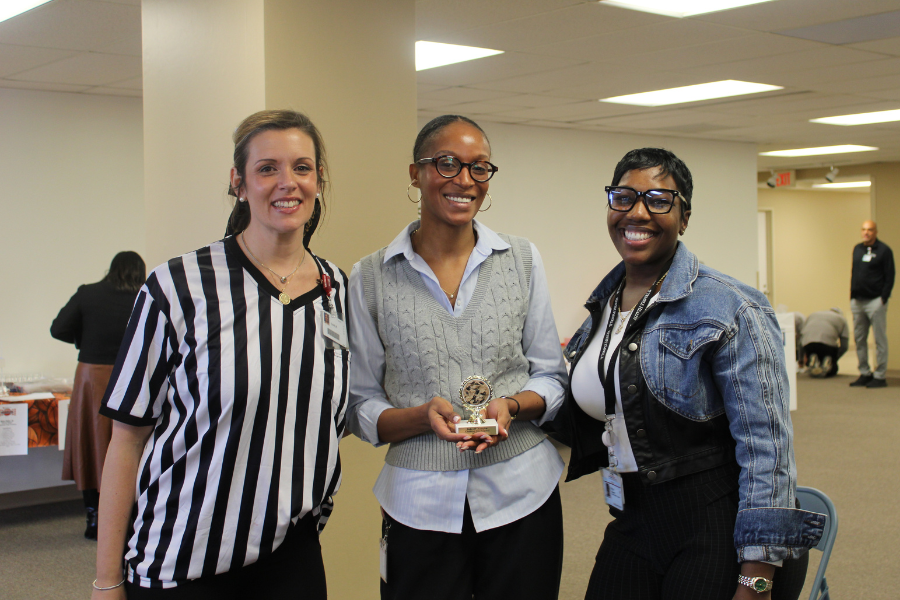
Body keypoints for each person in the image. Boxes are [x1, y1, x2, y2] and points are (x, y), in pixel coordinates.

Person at [92, 110, 348, 599]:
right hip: (186, 558)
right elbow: (126, 441)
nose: (286, 182)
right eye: (267, 168)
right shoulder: (177, 286)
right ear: (239, 182)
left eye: (301, 167)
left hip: (290, 557)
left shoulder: (335, 289)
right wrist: (107, 581)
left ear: (318, 180)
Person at [553, 148, 823, 600]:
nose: (637, 212)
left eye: (659, 199)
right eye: (623, 197)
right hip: (634, 514)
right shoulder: (603, 306)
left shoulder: (732, 305)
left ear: (684, 216)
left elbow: (768, 451)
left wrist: (756, 580)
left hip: (715, 520)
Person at [347, 114, 568, 600]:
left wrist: (512, 406)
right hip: (418, 503)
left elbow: (552, 376)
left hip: (522, 494)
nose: (464, 180)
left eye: (479, 167)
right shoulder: (369, 278)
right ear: (415, 173)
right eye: (446, 164)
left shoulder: (522, 259)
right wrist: (419, 418)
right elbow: (360, 404)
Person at [50, 251, 146, 540]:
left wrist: (83, 337)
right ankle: (130, 519)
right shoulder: (144, 295)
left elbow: (58, 329)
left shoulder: (88, 293)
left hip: (92, 379)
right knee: (134, 445)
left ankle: (94, 517)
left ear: (111, 269)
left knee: (90, 445)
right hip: (133, 377)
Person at [849, 220, 894, 388]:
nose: (866, 232)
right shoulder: (857, 249)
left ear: (876, 232)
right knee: (859, 339)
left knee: (879, 339)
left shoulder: (884, 251)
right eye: (864, 229)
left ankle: (880, 375)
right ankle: (864, 372)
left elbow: (890, 276)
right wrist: (852, 295)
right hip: (858, 301)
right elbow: (855, 272)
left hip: (876, 301)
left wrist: (883, 298)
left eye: (870, 230)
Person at [801, 308, 849, 378]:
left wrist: (802, 359)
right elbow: (844, 346)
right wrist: (835, 358)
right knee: (833, 369)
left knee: (812, 352)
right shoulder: (842, 319)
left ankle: (812, 358)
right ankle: (828, 361)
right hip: (827, 346)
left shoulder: (812, 315)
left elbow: (801, 339)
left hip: (808, 344)